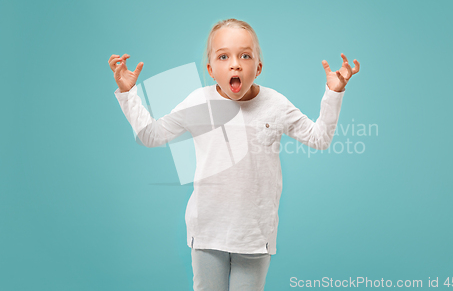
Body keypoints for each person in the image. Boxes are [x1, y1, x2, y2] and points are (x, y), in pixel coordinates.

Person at [109, 18, 360, 291]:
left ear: (258, 67)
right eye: (223, 56)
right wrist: (128, 92)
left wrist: (334, 92)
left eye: (245, 55)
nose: (235, 63)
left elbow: (319, 139)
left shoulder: (275, 104)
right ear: (211, 69)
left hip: (254, 235)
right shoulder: (199, 102)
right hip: (206, 231)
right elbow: (151, 135)